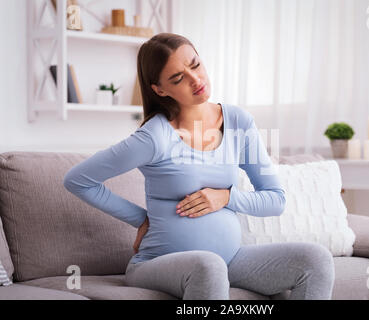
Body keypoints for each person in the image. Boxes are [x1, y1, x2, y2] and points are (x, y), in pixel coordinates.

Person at [63, 33, 335, 300]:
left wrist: (227, 197)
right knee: (209, 265)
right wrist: (141, 218)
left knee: (315, 260)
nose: (196, 80)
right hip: (158, 263)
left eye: (195, 65)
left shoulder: (238, 122)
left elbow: (276, 200)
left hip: (230, 260)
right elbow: (78, 180)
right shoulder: (154, 136)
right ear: (159, 89)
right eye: (178, 79)